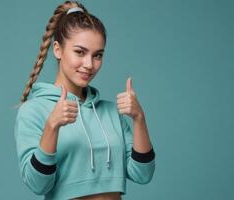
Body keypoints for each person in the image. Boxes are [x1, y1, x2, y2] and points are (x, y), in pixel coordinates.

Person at [13, 1, 156, 199]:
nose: (89, 64)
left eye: (97, 55)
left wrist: (139, 118)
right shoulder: (33, 111)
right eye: (80, 52)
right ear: (57, 49)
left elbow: (142, 174)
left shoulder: (110, 112)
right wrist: (52, 127)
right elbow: (38, 185)